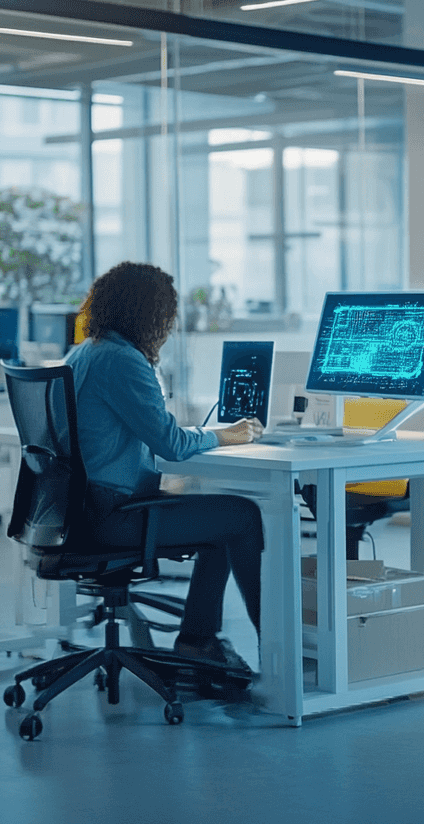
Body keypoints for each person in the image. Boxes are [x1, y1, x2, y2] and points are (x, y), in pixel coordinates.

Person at [66, 261, 265, 669]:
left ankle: (198, 639)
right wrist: (225, 434)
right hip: (112, 517)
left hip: (77, 514)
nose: (170, 327)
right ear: (150, 316)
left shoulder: (83, 353)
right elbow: (171, 444)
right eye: (167, 317)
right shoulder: (123, 361)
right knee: (241, 516)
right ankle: (281, 654)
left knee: (218, 512)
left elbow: (140, 431)